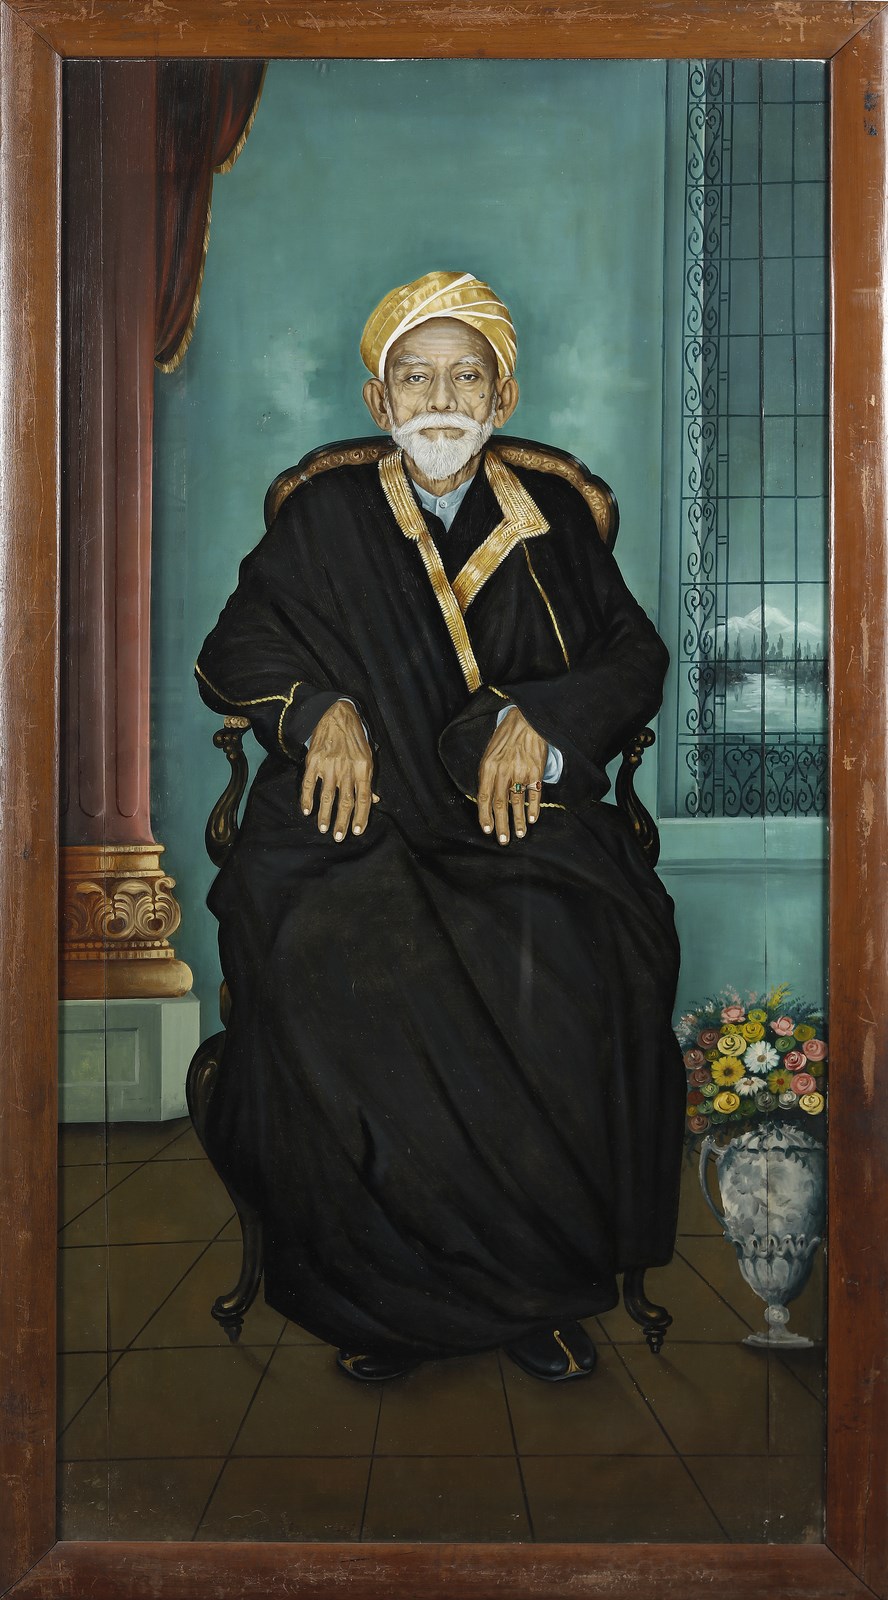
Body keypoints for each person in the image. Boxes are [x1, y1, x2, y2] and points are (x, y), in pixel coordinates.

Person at [196, 270, 686, 1383]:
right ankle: (383, 1302)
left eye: (467, 376)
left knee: (576, 954)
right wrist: (316, 713)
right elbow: (235, 647)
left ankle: (537, 1291)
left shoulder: (552, 517)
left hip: (518, 830)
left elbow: (634, 658)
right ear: (379, 400)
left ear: (503, 395)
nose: (441, 399)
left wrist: (544, 720)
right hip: (355, 828)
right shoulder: (324, 515)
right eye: (415, 377)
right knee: (329, 954)